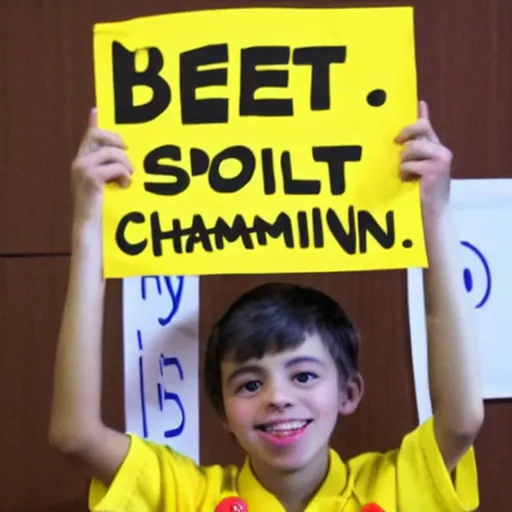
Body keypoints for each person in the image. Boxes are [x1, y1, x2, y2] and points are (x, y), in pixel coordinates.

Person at [49, 101, 484, 512]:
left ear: (348, 392)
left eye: (305, 375)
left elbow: (462, 420)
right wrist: (87, 224)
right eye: (249, 385)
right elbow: (75, 436)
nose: (278, 398)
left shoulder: (391, 487)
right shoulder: (187, 494)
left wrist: (435, 213)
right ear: (221, 411)